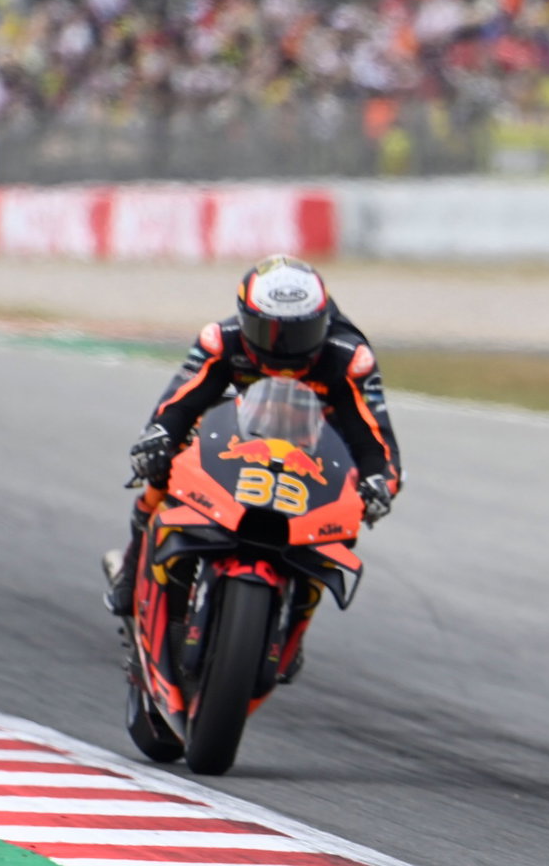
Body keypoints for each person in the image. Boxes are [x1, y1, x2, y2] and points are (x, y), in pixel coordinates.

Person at [104, 255, 402, 624]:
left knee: (344, 511)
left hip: (318, 434)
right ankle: (133, 569)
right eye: (268, 331)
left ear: (323, 321)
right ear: (245, 320)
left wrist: (379, 481)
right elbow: (180, 401)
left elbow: (373, 434)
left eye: (300, 333)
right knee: (163, 463)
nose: (284, 347)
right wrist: (159, 436)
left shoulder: (350, 357)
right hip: (239, 422)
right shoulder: (221, 340)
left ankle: (298, 615)